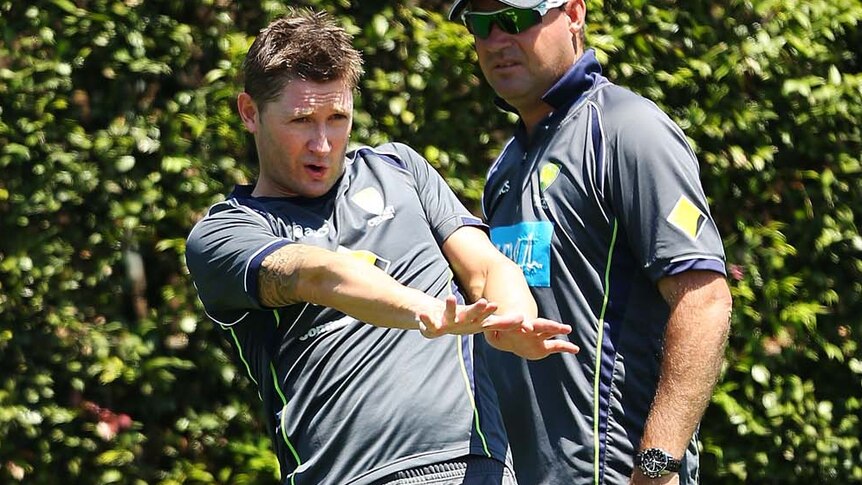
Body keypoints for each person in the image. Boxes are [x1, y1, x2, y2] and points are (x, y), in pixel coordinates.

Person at [185, 8, 579, 485]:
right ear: (250, 112)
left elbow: (487, 266)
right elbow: (321, 275)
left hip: (477, 467)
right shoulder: (225, 233)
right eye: (302, 121)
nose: (323, 143)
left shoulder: (399, 169)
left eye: (337, 119)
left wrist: (513, 319)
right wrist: (426, 311)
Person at [447, 1, 734, 484]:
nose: (497, 40)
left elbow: (704, 299)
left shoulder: (628, 129)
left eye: (517, 19)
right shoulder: (505, 169)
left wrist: (657, 465)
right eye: (481, 24)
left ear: (574, 13)